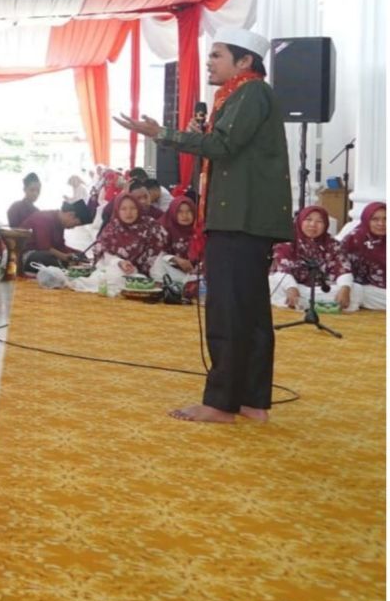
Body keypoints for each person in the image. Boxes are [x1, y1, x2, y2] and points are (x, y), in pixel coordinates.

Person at [116, 26, 292, 423]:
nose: (209, 62)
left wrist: (162, 133)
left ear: (244, 61)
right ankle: (251, 401)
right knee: (249, 312)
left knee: (229, 311)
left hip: (239, 219)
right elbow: (227, 146)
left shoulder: (250, 92)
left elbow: (223, 147)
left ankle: (221, 404)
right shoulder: (242, 95)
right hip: (243, 218)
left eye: (216, 55)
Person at [269, 206, 355, 312]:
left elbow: (343, 268)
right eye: (308, 220)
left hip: (321, 288)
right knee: (271, 284)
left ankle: (301, 304)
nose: (313, 225)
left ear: (326, 225)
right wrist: (291, 288)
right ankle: (323, 304)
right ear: (300, 221)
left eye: (319, 221)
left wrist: (345, 289)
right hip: (295, 287)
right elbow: (281, 270)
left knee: (355, 289)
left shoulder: (332, 244)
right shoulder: (287, 241)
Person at [89, 194, 169, 282]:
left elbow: (159, 252)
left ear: (138, 209)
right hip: (119, 269)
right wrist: (120, 262)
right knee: (113, 276)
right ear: (117, 210)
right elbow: (104, 253)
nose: (128, 213)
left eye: (133, 208)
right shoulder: (112, 228)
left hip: (149, 271)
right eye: (123, 209)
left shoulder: (150, 225)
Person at [18, 201, 93, 274]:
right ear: (71, 215)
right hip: (25, 255)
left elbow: (60, 246)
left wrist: (77, 254)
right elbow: (44, 247)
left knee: (79, 255)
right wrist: (65, 257)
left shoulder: (59, 222)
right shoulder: (44, 218)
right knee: (47, 259)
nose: (73, 227)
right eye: (75, 224)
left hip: (46, 253)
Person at [339, 202, 385, 310]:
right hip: (363, 290)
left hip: (382, 294)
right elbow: (341, 268)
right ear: (366, 220)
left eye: (385, 219)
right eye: (375, 219)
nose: (381, 223)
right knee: (354, 290)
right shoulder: (354, 239)